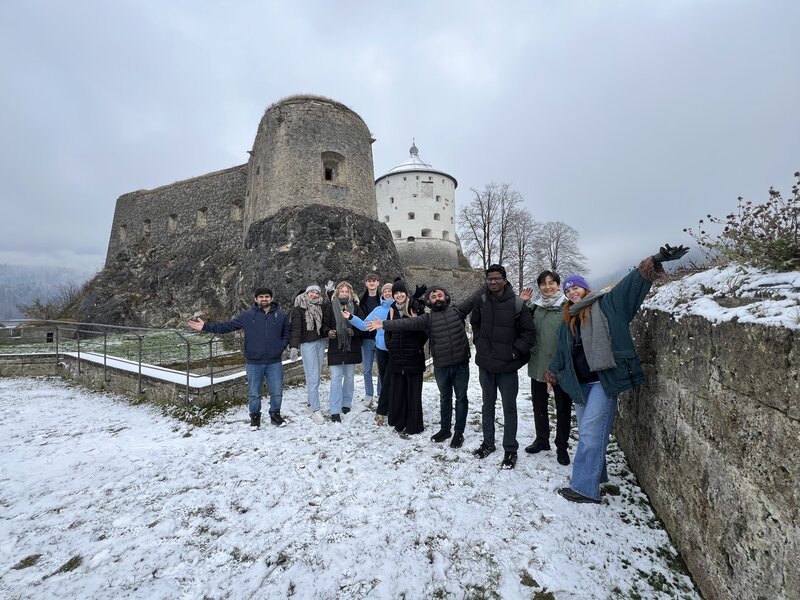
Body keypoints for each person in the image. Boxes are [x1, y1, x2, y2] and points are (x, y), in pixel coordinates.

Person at [545, 244, 688, 503]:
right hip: (581, 385)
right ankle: (595, 477)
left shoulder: (607, 305)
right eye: (568, 289)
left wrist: (653, 260)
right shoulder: (568, 321)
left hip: (603, 382)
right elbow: (563, 354)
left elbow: (629, 286)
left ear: (585, 288)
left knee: (589, 433)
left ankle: (584, 489)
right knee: (592, 432)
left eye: (575, 286)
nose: (572, 291)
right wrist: (552, 372)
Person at [367, 284, 479, 448]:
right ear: (429, 301)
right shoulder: (428, 319)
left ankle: (458, 432)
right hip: (441, 365)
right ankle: (445, 429)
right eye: (433, 297)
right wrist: (384, 325)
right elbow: (404, 324)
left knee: (461, 398)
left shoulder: (457, 310)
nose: (437, 298)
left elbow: (474, 297)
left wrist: (492, 280)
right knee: (445, 398)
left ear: (445, 296)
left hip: (460, 363)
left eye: (439, 295)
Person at [187, 287, 289, 430]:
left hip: (274, 361)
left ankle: (275, 415)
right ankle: (254, 417)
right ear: (256, 299)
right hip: (254, 362)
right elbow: (227, 326)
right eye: (261, 297)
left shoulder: (281, 315)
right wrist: (206, 326)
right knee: (254, 393)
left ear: (271, 299)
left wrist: (281, 347)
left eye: (267, 296)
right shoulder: (247, 315)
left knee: (277, 391)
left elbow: (286, 333)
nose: (264, 299)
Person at [470, 264, 536, 469]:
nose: (493, 282)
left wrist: (514, 352)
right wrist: (479, 342)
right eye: (489, 279)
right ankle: (488, 443)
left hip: (507, 366)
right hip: (486, 364)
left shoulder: (517, 305)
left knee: (509, 408)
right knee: (487, 406)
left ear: (505, 280)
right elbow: (475, 324)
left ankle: (510, 449)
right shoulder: (481, 301)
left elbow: (528, 334)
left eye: (497, 278)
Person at [520, 271, 573, 466]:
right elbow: (518, 323)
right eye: (543, 284)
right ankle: (542, 440)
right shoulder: (535, 308)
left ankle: (562, 446)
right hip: (539, 364)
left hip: (560, 367)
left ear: (558, 285)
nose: (547, 287)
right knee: (539, 406)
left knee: (562, 408)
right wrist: (522, 303)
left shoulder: (568, 307)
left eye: (551, 283)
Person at [346, 282, 394, 425]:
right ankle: (383, 408)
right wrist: (350, 317)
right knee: (384, 378)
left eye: (390, 291)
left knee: (393, 380)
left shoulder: (398, 308)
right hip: (382, 349)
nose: (387, 293)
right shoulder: (378, 310)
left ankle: (393, 406)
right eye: (385, 291)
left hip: (396, 349)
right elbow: (363, 325)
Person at [321, 281, 363, 422]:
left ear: (350, 293)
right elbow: (324, 325)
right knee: (336, 378)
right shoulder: (330, 307)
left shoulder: (356, 308)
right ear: (337, 293)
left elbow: (362, 325)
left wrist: (354, 331)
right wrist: (328, 332)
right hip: (336, 346)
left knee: (350, 377)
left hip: (351, 347)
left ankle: (346, 403)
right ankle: (334, 409)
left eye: (347, 291)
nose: (344, 293)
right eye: (342, 291)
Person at [289, 284, 326, 424]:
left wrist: (330, 292)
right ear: (307, 292)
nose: (314, 295)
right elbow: (296, 328)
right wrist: (294, 346)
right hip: (307, 344)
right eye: (312, 292)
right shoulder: (299, 309)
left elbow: (331, 310)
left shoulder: (321, 306)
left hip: (320, 342)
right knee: (312, 376)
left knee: (317, 376)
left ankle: (310, 404)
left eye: (317, 293)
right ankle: (316, 410)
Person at [359, 273, 382, 407]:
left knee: (381, 368)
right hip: (367, 339)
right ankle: (369, 394)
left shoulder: (382, 300)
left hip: (379, 338)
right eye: (369, 281)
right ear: (366, 283)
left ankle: (380, 393)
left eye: (374, 281)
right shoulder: (362, 300)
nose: (372, 283)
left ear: (378, 283)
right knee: (367, 369)